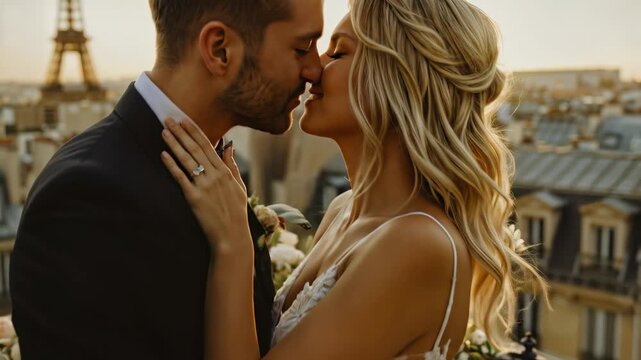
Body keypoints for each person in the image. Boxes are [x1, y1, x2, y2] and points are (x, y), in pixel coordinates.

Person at [160, 0, 550, 359]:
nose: (313, 69)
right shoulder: (342, 210)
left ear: (398, 80)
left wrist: (233, 244)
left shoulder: (419, 242)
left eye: (340, 52)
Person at [10, 0, 323, 358]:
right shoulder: (85, 198)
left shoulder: (214, 172)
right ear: (219, 49)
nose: (315, 69)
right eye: (302, 48)